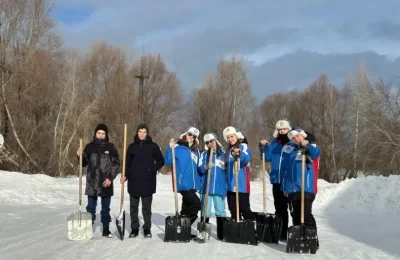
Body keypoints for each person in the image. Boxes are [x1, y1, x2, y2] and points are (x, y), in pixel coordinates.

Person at [120, 123, 164, 238]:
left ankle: (147, 229)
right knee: (133, 208)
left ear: (147, 133)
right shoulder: (131, 146)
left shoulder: (153, 146)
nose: (142, 134)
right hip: (134, 181)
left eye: (144, 132)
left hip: (147, 181)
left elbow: (160, 160)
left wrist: (152, 169)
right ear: (137, 132)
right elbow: (127, 163)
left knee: (146, 208)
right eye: (140, 131)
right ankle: (134, 229)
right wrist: (125, 175)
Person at [76, 123, 120, 238]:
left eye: (103, 133)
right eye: (98, 133)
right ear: (95, 133)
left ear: (106, 135)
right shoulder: (89, 147)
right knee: (91, 207)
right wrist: (80, 156)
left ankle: (105, 230)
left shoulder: (111, 147)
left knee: (105, 208)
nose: (100, 135)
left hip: (106, 182)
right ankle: (88, 229)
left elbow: (116, 165)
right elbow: (84, 163)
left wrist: (110, 178)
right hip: (92, 182)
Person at [281, 126, 320, 248]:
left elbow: (315, 154)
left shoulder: (311, 146)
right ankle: (299, 238)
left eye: (298, 136)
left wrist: (307, 145)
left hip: (306, 187)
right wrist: (284, 186)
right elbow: (285, 168)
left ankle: (312, 239)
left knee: (306, 214)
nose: (296, 139)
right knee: (295, 214)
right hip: (292, 188)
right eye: (293, 137)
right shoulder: (289, 149)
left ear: (303, 135)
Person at [164, 127, 201, 238]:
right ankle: (181, 226)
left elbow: (198, 168)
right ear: (185, 134)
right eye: (190, 134)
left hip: (193, 184)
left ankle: (184, 231)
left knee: (186, 208)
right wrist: (169, 149)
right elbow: (168, 161)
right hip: (183, 183)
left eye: (194, 136)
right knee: (197, 204)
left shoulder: (196, 151)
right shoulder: (177, 147)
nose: (191, 137)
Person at [259, 119, 291, 240]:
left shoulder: (292, 143)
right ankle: (281, 232)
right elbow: (266, 157)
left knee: (293, 209)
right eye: (280, 129)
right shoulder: (273, 144)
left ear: (289, 130)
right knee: (280, 208)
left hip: (290, 182)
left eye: (284, 129)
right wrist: (263, 147)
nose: (282, 131)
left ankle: (296, 231)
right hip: (277, 181)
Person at [197, 133, 227, 240]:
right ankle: (203, 233)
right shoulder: (204, 155)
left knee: (220, 211)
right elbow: (199, 168)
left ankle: (221, 234)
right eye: (207, 142)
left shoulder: (224, 154)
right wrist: (205, 166)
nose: (210, 144)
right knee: (205, 210)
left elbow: (229, 169)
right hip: (206, 188)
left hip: (219, 188)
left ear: (216, 140)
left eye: (212, 141)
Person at [222, 126, 253, 220]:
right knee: (233, 210)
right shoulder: (227, 151)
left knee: (244, 208)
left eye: (232, 136)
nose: (230, 139)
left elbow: (246, 159)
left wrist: (239, 154)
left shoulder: (243, 146)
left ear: (236, 136)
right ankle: (238, 232)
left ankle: (252, 228)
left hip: (241, 185)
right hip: (230, 186)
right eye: (228, 137)